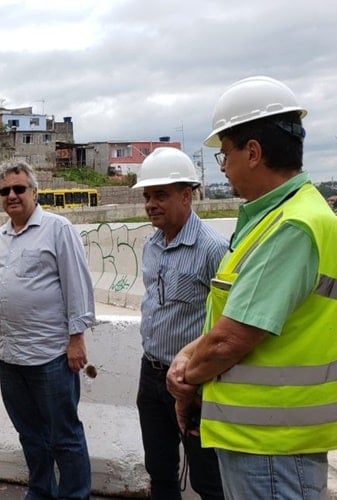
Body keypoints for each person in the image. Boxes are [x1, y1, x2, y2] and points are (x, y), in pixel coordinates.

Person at [167, 75, 337, 499]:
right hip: (257, 440)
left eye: (225, 155)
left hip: (272, 448)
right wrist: (190, 354)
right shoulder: (274, 220)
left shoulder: (292, 226)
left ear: (254, 153)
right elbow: (230, 318)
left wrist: (185, 375)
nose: (223, 167)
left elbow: (231, 340)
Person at [0, 159, 96, 500]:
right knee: (30, 434)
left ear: (34, 191)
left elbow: (78, 286)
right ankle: (42, 491)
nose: (11, 196)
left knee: (64, 436)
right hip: (10, 357)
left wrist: (77, 338)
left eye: (18, 188)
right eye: (4, 191)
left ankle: (75, 495)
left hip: (51, 356)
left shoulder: (58, 229)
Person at [132, 147, 227, 499]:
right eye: (147, 196)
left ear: (187, 196)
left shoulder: (213, 249)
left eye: (161, 195)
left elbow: (225, 323)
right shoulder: (152, 244)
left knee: (207, 478)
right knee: (159, 470)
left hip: (195, 381)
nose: (151, 204)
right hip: (151, 373)